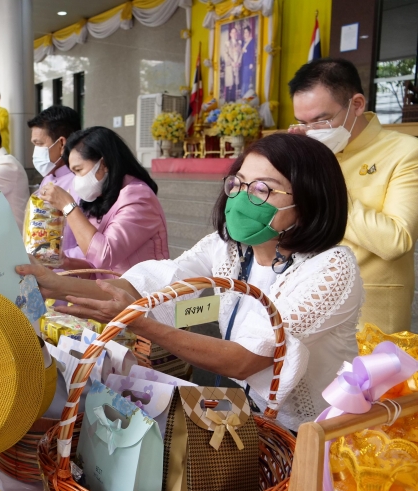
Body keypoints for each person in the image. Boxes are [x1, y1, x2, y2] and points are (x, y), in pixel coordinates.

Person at [21, 133, 362, 432]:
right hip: (257, 419)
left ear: (309, 201)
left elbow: (246, 360)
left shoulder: (330, 268)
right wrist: (59, 285)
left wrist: (141, 323)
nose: (242, 198)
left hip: (318, 433)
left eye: (262, 189)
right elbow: (149, 284)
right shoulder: (230, 248)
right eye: (239, 183)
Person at [288, 58, 418, 333]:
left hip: (371, 312)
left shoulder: (405, 152)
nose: (311, 130)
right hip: (305, 301)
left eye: (321, 120)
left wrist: (325, 188)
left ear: (356, 105)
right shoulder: (309, 155)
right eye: (303, 122)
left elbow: (397, 240)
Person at [37, 126, 167, 276]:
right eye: (73, 173)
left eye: (79, 170)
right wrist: (65, 262)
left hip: (142, 294)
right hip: (113, 293)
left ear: (103, 164)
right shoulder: (101, 199)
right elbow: (97, 268)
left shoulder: (139, 197)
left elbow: (104, 256)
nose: (76, 180)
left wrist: (68, 206)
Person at [29, 105, 82, 257]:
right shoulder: (48, 177)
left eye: (39, 144)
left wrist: (55, 260)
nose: (35, 152)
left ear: (61, 143)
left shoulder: (81, 183)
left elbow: (90, 246)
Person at [240, 24, 257, 96]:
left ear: (250, 32)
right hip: (244, 64)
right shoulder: (244, 42)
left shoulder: (252, 41)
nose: (245, 34)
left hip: (249, 64)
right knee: (244, 79)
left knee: (247, 80)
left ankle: (245, 95)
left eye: (246, 32)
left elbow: (253, 52)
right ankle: (244, 95)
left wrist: (251, 63)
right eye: (244, 32)